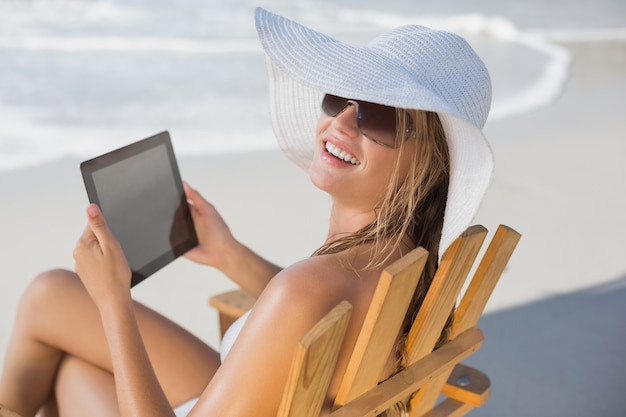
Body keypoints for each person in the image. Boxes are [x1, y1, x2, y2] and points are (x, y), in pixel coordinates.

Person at [0, 7, 493, 417]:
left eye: (379, 115)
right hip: (256, 396)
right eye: (338, 98)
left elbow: (302, 300)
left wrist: (114, 303)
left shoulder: (311, 284)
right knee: (52, 295)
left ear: (430, 161)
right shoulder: (391, 256)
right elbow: (321, 318)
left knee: (67, 370)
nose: (340, 122)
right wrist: (229, 255)